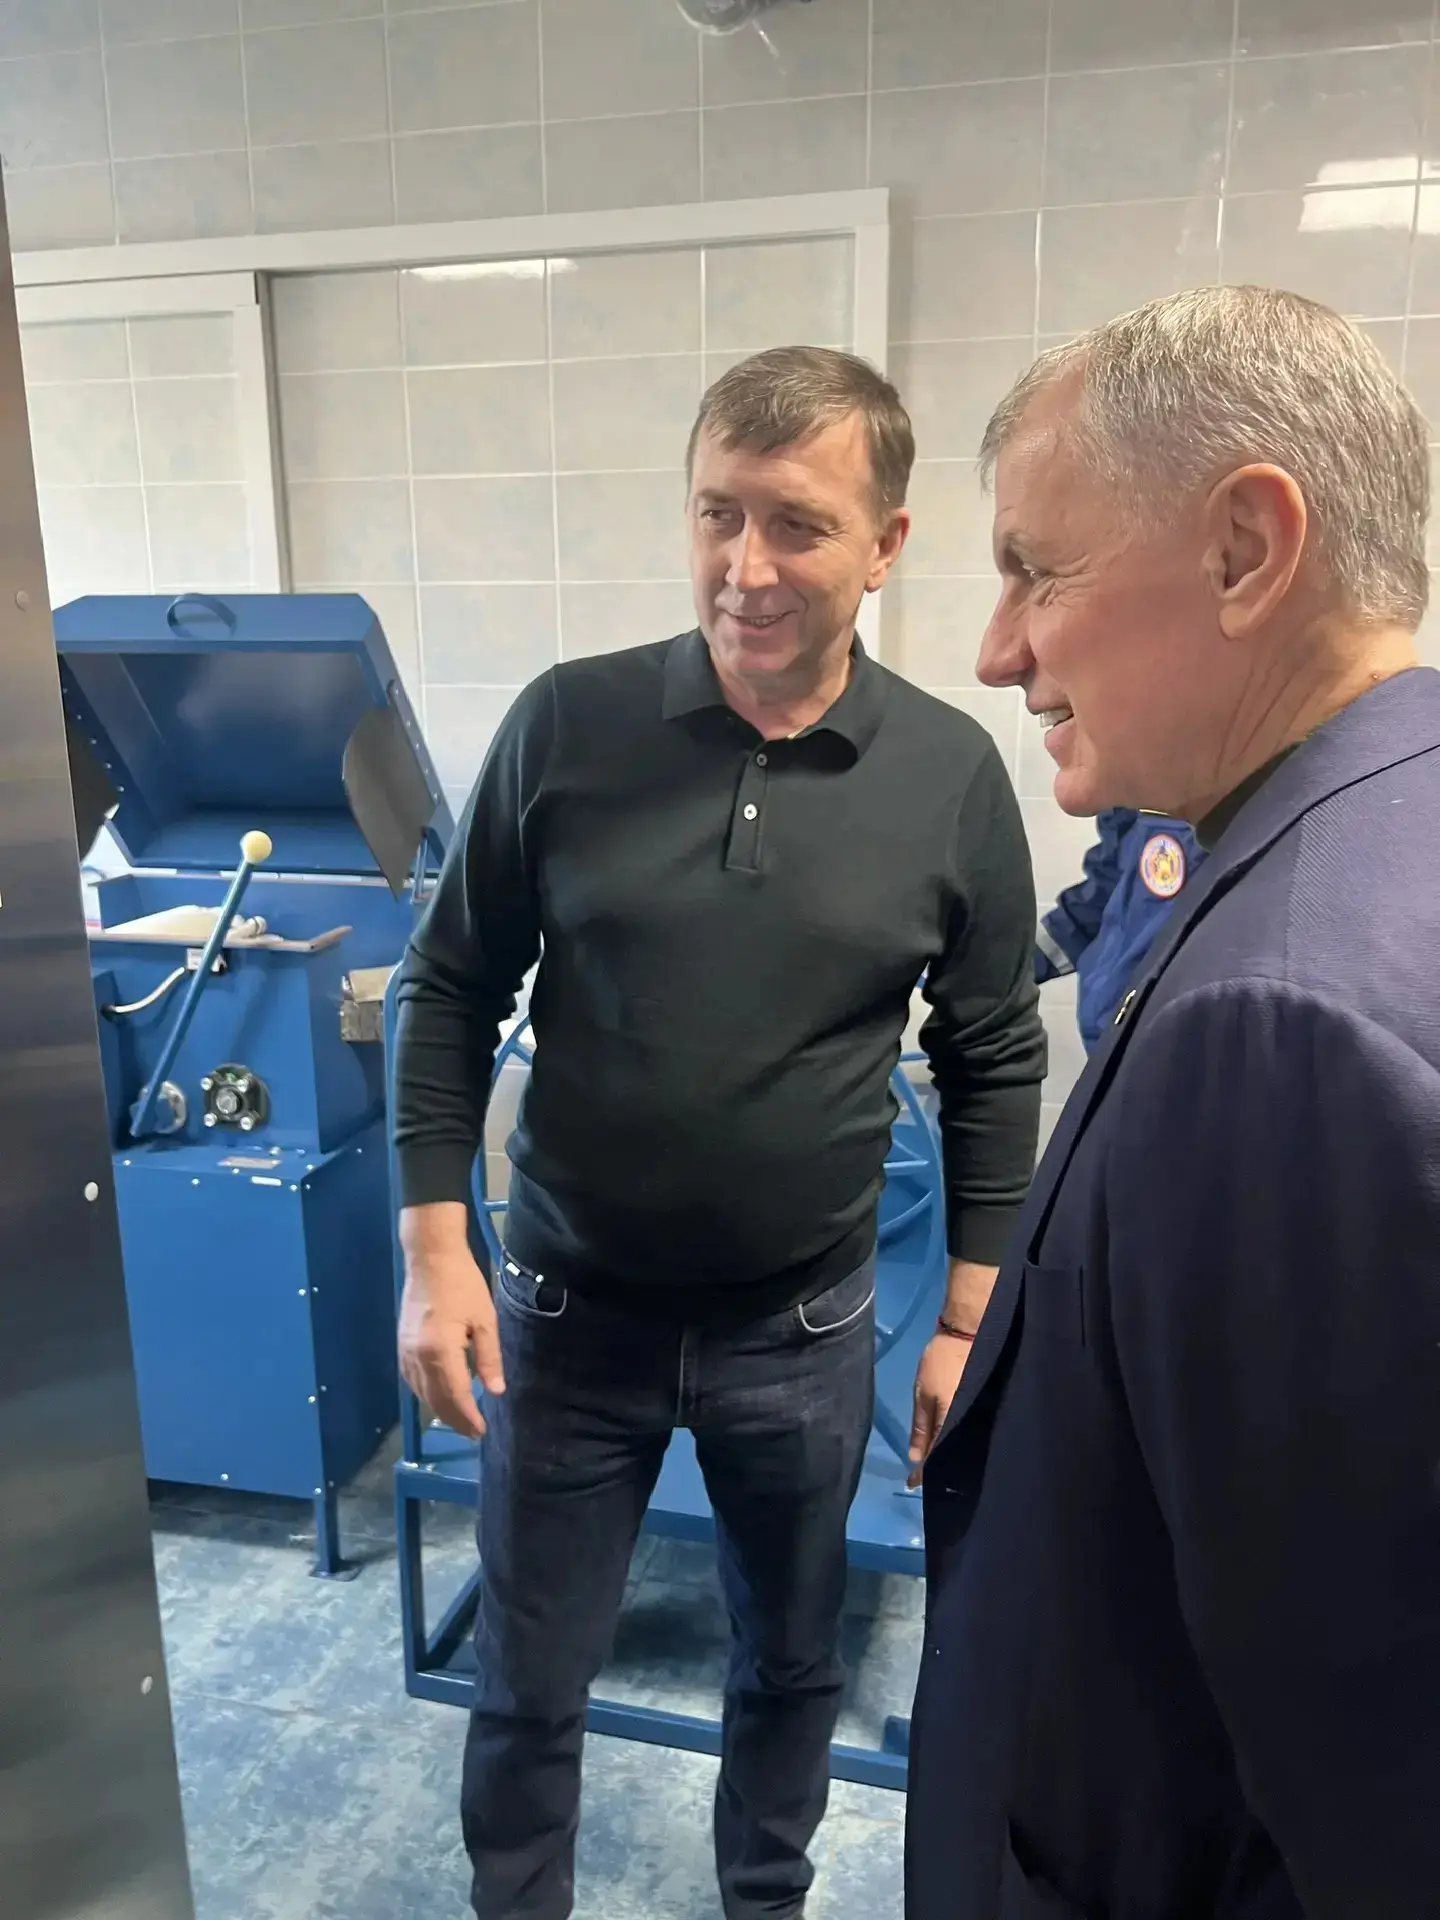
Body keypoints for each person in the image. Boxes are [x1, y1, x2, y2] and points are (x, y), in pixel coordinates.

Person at [391, 345, 1047, 1920]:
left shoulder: (951, 776)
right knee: (529, 1679)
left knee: (792, 1666)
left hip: (801, 1335)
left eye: (797, 525)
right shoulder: (568, 726)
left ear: (886, 545)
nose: (745, 568)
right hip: (568, 1319)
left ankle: (766, 1899)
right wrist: (434, 1247)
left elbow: (994, 1056)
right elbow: (449, 983)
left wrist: (967, 1316)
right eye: (717, 514)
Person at [907, 286, 1440, 1920]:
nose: (999, 650)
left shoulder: (1282, 1022)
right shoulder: (1384, 823)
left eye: (1037, 571)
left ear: (1244, 552)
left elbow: (1374, 1788)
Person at [1035, 806, 1204, 1048]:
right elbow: (1107, 890)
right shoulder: (1131, 802)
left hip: (1171, 1044)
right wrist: (1013, 964)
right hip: (1110, 1036)